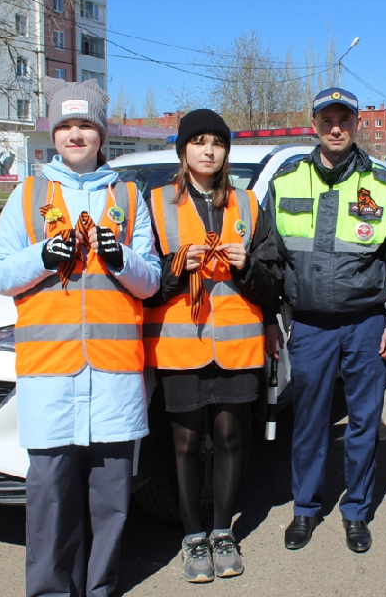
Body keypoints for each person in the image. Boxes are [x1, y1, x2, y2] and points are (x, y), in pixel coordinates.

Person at [0, 78, 161, 597]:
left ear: (102, 134)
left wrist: (119, 259)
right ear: (54, 133)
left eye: (85, 125)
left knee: (110, 502)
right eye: (66, 125)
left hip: (112, 377)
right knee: (50, 500)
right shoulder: (29, 194)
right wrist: (42, 256)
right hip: (51, 375)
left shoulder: (128, 197)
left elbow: (150, 280)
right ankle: (50, 592)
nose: (76, 134)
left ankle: (101, 588)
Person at [265, 87, 386, 553]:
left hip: (367, 324)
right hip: (310, 325)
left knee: (363, 422)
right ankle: (305, 510)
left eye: (345, 120)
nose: (336, 128)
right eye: (327, 119)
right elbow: (269, 260)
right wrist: (269, 317)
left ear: (356, 124)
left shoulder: (382, 184)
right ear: (314, 124)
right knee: (310, 422)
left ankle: (356, 511)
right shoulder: (286, 181)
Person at [143, 109, 282, 583]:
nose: (208, 150)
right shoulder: (156, 202)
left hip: (238, 348)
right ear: (183, 150)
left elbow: (275, 283)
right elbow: (143, 284)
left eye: (217, 142)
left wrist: (247, 267)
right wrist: (176, 266)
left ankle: (223, 532)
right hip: (181, 347)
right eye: (198, 141)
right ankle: (192, 538)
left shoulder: (246, 205)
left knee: (229, 438)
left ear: (226, 151)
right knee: (184, 444)